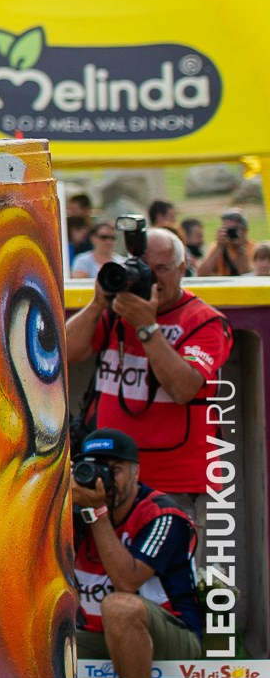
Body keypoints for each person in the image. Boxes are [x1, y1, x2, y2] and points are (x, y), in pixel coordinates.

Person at [67, 226, 232, 499]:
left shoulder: (204, 322)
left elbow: (183, 388)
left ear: (182, 269)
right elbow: (66, 354)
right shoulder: (119, 309)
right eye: (143, 268)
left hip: (173, 482)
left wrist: (146, 328)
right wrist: (97, 304)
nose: (151, 278)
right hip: (110, 475)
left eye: (162, 268)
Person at [71, 429, 204, 678]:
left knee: (119, 608)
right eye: (95, 468)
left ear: (136, 473)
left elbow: (127, 582)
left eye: (115, 469)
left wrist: (96, 513)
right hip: (99, 635)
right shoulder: (71, 511)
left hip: (171, 634)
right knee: (32, 641)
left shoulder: (163, 515)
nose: (104, 480)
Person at [195, 209, 250, 278]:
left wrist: (239, 249)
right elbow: (201, 274)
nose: (231, 233)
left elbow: (247, 275)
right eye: (228, 230)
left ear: (245, 230)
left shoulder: (253, 248)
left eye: (234, 229)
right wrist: (219, 247)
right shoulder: (216, 248)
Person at [66, 191, 95, 259]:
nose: (72, 213)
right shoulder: (66, 226)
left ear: (86, 210)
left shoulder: (94, 230)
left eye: (75, 210)